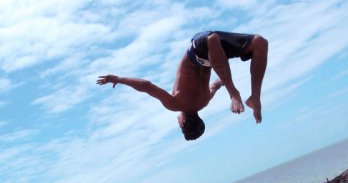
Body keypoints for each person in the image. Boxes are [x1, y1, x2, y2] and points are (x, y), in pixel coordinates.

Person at [97, 31, 268, 140]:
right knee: (219, 39)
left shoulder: (204, 101)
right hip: (202, 51)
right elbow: (146, 85)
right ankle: (236, 94)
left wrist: (225, 78)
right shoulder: (174, 105)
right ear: (182, 123)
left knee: (258, 43)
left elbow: (217, 83)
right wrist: (119, 79)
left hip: (212, 56)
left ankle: (255, 97)